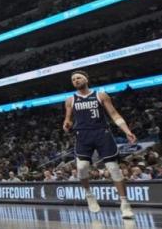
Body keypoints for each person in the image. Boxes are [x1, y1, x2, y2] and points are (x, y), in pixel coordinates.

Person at [63, 70, 136, 219]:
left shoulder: (100, 95)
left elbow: (114, 114)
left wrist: (127, 131)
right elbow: (68, 119)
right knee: (82, 167)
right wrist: (66, 124)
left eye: (78, 78)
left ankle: (125, 204)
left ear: (86, 79)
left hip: (102, 133)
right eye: (73, 79)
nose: (76, 80)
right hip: (83, 134)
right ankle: (89, 194)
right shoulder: (70, 100)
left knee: (113, 168)